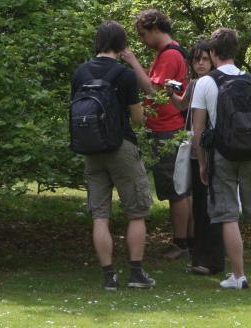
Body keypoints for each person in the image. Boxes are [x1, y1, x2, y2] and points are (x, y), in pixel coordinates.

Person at [192, 27, 251, 289]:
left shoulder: (206, 83)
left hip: (222, 155)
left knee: (228, 215)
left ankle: (239, 276)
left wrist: (202, 163)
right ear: (235, 50)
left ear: (212, 52)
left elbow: (198, 130)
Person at [70, 21, 155, 290]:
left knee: (100, 215)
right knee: (136, 212)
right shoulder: (124, 75)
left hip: (91, 149)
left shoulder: (80, 73)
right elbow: (138, 119)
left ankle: (109, 277)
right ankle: (136, 273)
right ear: (121, 45)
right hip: (121, 148)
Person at [121, 9, 191, 260]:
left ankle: (181, 242)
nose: (141, 40)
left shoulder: (170, 55)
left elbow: (153, 90)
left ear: (155, 29)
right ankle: (188, 240)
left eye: (142, 34)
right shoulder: (168, 53)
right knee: (181, 188)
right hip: (168, 127)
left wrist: (132, 62)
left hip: (167, 128)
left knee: (176, 190)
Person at [166, 41, 225, 275]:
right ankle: (200, 255)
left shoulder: (215, 84)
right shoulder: (193, 84)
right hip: (193, 150)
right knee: (198, 203)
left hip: (209, 151)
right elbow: (182, 104)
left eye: (204, 59)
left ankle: (208, 257)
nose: (200, 63)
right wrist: (171, 94)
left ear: (212, 60)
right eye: (196, 59)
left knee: (208, 205)